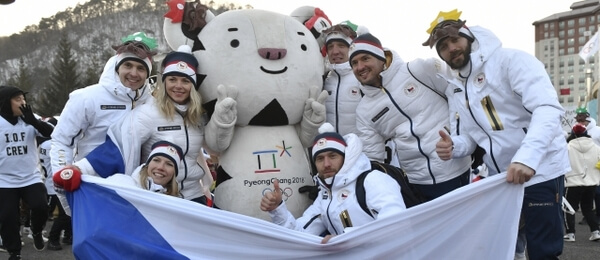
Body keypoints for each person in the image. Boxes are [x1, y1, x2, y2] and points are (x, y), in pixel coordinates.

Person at [425, 11, 570, 260]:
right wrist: (454, 146)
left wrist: (527, 158)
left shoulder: (511, 61)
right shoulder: (456, 87)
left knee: (543, 251)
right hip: (502, 180)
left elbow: (547, 109)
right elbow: (472, 138)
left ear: (469, 37)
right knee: (504, 248)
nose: (451, 49)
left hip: (540, 171)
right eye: (443, 47)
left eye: (455, 40)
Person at [56, 45, 213, 205]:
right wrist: (79, 169)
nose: (178, 86)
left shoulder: (198, 115)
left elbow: (216, 147)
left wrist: (223, 120)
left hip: (194, 196)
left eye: (185, 81)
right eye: (172, 79)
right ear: (164, 82)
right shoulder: (148, 111)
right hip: (161, 198)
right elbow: (118, 146)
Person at [349, 32, 472, 201]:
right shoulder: (364, 110)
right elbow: (373, 157)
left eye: (365, 58)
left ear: (381, 57)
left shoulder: (417, 70)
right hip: (417, 183)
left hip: (456, 169)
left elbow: (459, 92)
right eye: (354, 63)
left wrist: (458, 138)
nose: (360, 67)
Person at [50, 32, 157, 214]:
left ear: (147, 73)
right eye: (128, 65)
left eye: (141, 68)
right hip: (94, 186)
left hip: (137, 192)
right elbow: (61, 141)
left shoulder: (151, 103)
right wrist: (63, 183)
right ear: (117, 67)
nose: (133, 73)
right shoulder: (87, 97)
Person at [260, 123, 406, 243]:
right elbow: (299, 234)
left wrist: (345, 239)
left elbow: (396, 227)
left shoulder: (373, 180)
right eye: (320, 159)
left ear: (345, 157)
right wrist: (278, 208)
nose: (327, 164)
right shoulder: (325, 195)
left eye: (333, 156)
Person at [0, 86, 54, 259]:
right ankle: (14, 252)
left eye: (23, 99)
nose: (23, 102)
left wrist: (34, 122)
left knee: (40, 206)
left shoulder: (31, 118)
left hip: (31, 175)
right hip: (4, 179)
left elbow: (53, 133)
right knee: (8, 218)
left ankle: (37, 231)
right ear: (5, 102)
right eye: (17, 99)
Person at [55, 140, 184, 197]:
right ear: (146, 165)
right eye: (156, 160)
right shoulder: (122, 183)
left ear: (174, 173)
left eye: (169, 164)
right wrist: (74, 172)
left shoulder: (177, 202)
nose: (161, 167)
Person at [38, 117, 72, 251]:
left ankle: (68, 236)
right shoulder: (52, 144)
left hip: (49, 182)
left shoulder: (44, 144)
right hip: (56, 183)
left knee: (68, 212)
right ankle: (53, 238)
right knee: (64, 214)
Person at [563, 124, 600, 242]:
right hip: (591, 182)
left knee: (569, 208)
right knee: (588, 208)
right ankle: (595, 232)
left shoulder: (567, 147)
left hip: (573, 182)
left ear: (573, 134)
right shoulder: (596, 147)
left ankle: (570, 234)